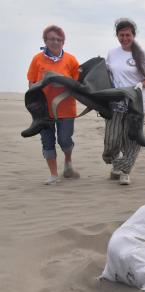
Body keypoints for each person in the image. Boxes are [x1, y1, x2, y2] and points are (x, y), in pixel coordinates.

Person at [27, 25, 80, 185]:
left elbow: (78, 84)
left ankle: (68, 162)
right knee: (47, 142)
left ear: (63, 42)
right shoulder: (37, 59)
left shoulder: (71, 60)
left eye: (59, 39)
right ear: (45, 41)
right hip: (44, 111)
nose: (55, 42)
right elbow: (31, 82)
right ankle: (53, 175)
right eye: (52, 39)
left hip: (66, 109)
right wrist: (36, 103)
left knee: (64, 140)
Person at [103, 18, 145, 185]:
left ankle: (125, 172)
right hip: (115, 104)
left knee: (131, 140)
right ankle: (116, 163)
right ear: (117, 35)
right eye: (121, 35)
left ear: (133, 35)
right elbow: (107, 75)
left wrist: (139, 85)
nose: (124, 38)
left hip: (135, 105)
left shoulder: (141, 55)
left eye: (128, 35)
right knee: (112, 140)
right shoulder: (112, 53)